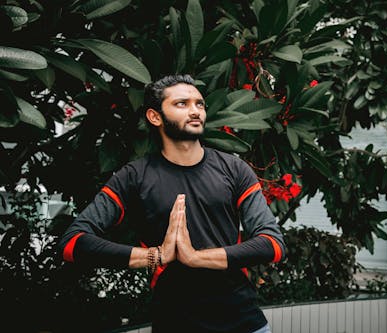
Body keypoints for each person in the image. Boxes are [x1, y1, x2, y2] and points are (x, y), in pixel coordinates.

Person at [58, 74, 286, 333]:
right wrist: (155, 256)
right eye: (182, 104)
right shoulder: (134, 177)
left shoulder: (234, 169)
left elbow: (273, 244)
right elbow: (72, 243)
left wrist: (196, 258)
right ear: (155, 117)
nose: (195, 111)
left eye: (199, 104)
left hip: (244, 324)